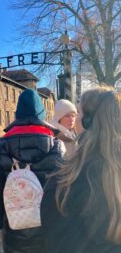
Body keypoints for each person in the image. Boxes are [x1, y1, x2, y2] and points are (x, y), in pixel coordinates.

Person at [41, 86, 121, 253]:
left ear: (88, 121)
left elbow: (56, 240)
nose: (74, 118)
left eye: (77, 112)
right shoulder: (54, 141)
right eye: (69, 114)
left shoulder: (65, 181)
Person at [0, 88, 63, 253]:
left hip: (14, 225)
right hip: (48, 227)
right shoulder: (55, 145)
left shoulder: (3, 145)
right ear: (42, 115)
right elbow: (63, 188)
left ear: (18, 115)